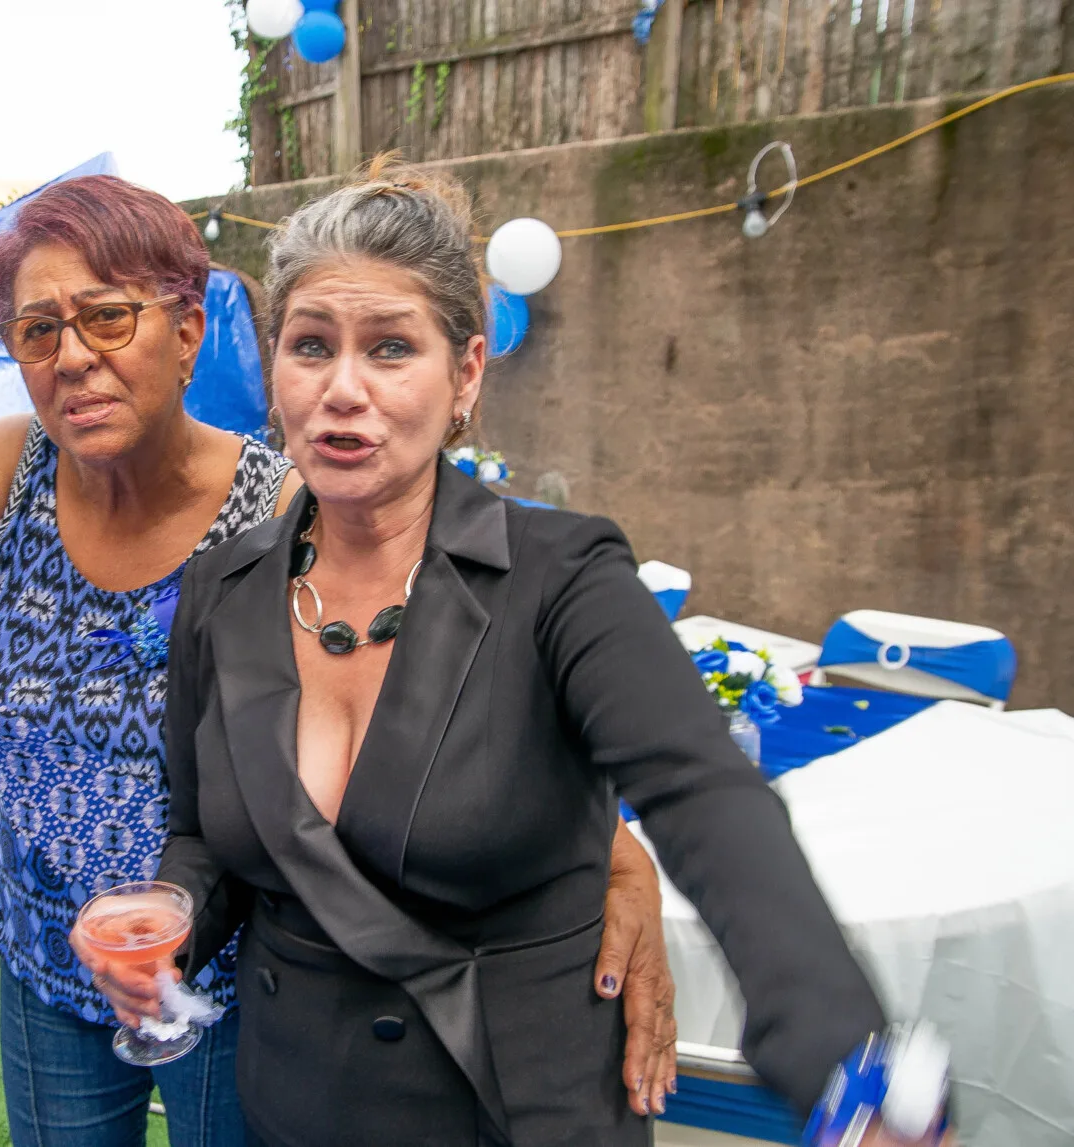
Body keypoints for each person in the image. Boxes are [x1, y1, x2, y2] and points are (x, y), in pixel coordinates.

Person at [0, 174, 678, 1146]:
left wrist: (618, 858)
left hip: (237, 969)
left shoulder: (284, 509)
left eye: (108, 317)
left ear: (186, 331)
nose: (72, 356)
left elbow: (475, 700)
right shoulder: (6, 469)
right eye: (36, 330)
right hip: (47, 952)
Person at [82, 161, 951, 1146]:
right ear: (273, 373)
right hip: (296, 1106)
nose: (343, 390)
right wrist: (173, 920)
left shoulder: (562, 576)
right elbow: (203, 836)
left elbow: (704, 793)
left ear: (466, 376)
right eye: (310, 346)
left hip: (515, 1110)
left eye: (391, 348)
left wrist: (841, 1058)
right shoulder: (223, 591)